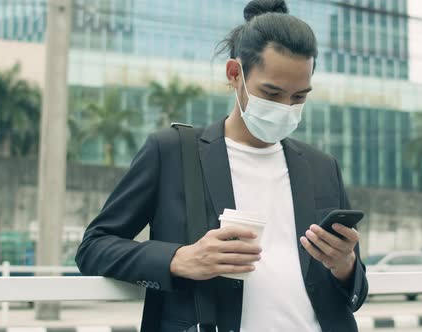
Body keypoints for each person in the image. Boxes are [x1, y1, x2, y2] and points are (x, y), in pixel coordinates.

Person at [75, 0, 369, 331]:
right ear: (234, 74)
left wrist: (345, 264)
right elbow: (94, 247)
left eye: (299, 97)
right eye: (271, 94)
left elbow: (355, 288)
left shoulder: (321, 167)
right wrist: (179, 259)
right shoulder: (172, 152)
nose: (286, 108)